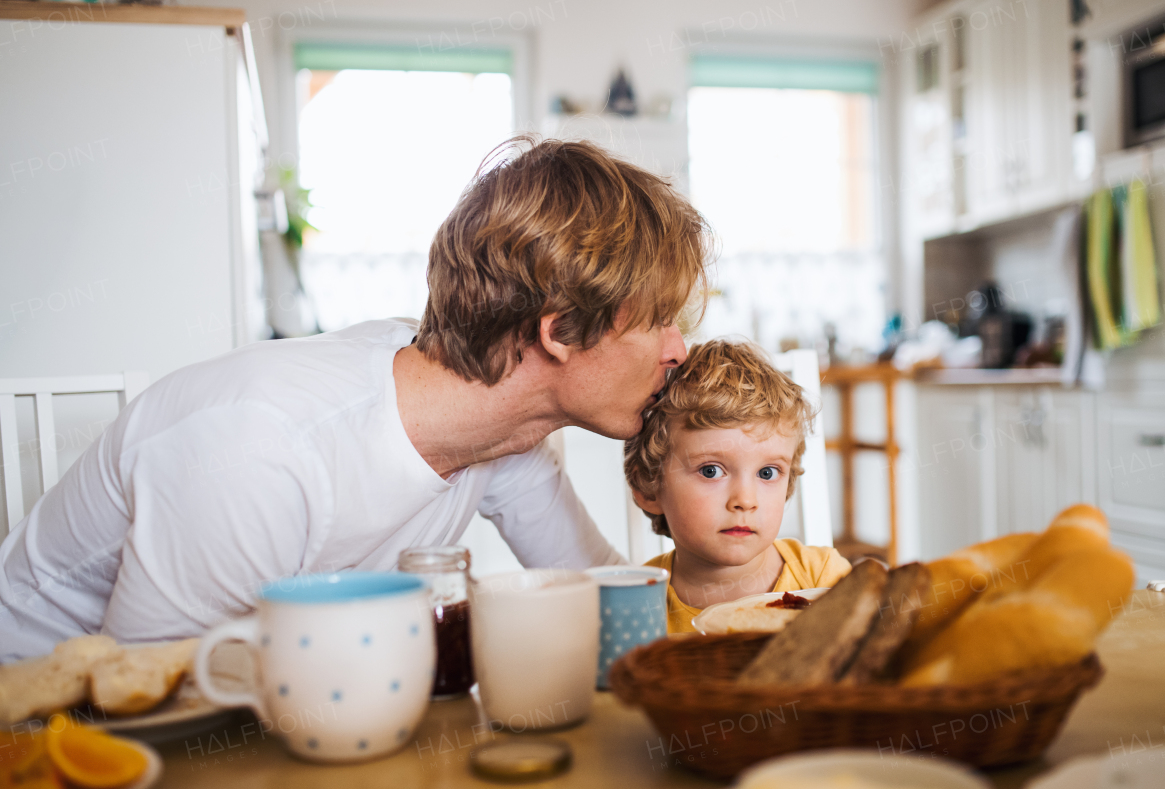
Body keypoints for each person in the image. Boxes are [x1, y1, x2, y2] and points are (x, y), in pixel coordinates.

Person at [0, 138, 710, 661]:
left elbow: (603, 593)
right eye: (657, 321)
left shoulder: (505, 429)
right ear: (556, 331)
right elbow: (151, 699)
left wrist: (729, 560)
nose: (677, 349)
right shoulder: (259, 446)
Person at [624, 340, 852, 634]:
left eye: (767, 473)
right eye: (711, 470)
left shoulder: (824, 578)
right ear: (648, 487)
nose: (745, 501)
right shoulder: (635, 603)